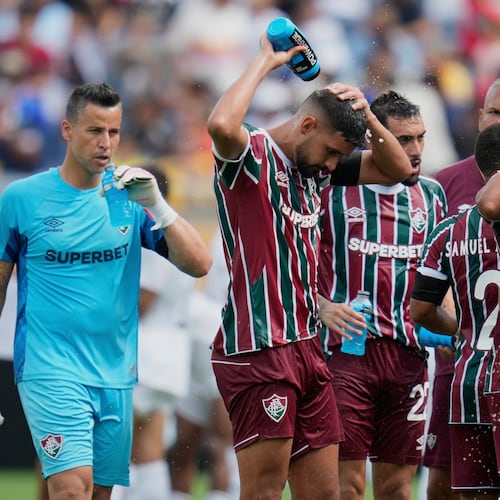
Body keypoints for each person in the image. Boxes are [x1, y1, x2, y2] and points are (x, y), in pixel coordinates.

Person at [206, 32, 412, 499]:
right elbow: (220, 124)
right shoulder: (252, 155)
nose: (337, 163)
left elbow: (398, 171)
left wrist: (369, 115)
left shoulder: (314, 168)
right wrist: (264, 61)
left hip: (308, 349)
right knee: (263, 490)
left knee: (325, 494)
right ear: (305, 126)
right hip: (257, 348)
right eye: (333, 151)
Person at [0, 82, 212, 500]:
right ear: (66, 130)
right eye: (94, 131)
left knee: (99, 494)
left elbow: (198, 263)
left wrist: (158, 205)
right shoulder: (22, 199)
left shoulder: (127, 196)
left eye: (114, 132)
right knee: (70, 488)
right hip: (50, 367)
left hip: (115, 374)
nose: (106, 143)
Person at [317, 90, 447, 500]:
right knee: (349, 487)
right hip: (347, 356)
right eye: (404, 140)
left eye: (420, 138)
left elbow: (440, 280)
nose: (415, 150)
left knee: (397, 489)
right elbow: (294, 264)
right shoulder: (333, 191)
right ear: (375, 141)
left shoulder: (431, 195)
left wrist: (447, 330)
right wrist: (321, 306)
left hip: (409, 358)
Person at [410, 123, 500, 499]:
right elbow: (491, 203)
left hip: (469, 382)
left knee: (474, 496)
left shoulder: (448, 231)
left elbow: (421, 309)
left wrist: (460, 334)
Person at [110, 166, 196, 500]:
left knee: (117, 449)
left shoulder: (154, 235)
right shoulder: (179, 231)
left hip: (144, 356)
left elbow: (139, 303)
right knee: (147, 451)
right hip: (168, 357)